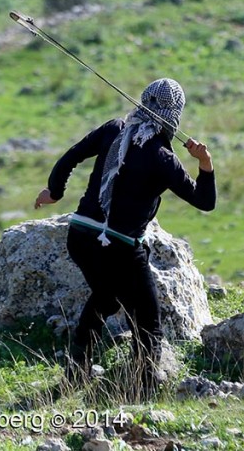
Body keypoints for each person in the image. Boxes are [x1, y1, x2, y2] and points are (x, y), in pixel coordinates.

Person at [33, 78, 216, 396]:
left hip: (80, 236)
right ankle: (144, 387)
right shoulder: (162, 157)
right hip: (118, 245)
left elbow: (70, 157)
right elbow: (204, 201)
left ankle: (76, 375)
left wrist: (55, 192)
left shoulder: (113, 129)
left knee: (105, 297)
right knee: (148, 317)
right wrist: (205, 164)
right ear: (175, 116)